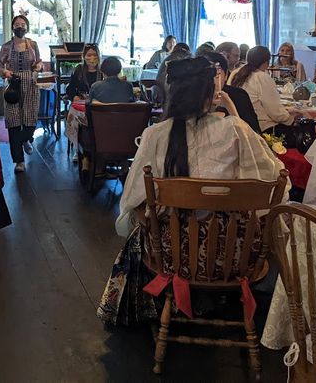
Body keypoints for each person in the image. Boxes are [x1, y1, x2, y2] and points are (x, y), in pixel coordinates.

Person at [97, 57, 282, 325]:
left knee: (141, 222)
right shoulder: (236, 131)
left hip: (174, 257)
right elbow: (277, 183)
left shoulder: (156, 135)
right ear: (211, 91)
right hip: (235, 257)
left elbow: (133, 198)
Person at [0, 15, 42, 173]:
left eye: (23, 24)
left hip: (30, 85)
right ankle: (19, 161)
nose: (20, 27)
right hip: (13, 86)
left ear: (27, 27)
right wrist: (4, 72)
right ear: (12, 27)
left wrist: (39, 66)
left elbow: (38, 62)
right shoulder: (6, 47)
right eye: (17, 24)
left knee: (30, 119)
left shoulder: (33, 45)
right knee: (14, 121)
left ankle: (26, 139)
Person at [229, 46, 296, 133]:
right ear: (266, 62)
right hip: (263, 129)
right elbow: (275, 113)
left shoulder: (235, 73)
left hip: (239, 126)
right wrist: (291, 119)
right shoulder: (262, 77)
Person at [203, 51, 261, 133]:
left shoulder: (238, 96)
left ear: (226, 75)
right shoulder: (192, 98)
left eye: (217, 75)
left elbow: (254, 133)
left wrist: (229, 106)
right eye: (206, 75)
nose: (212, 80)